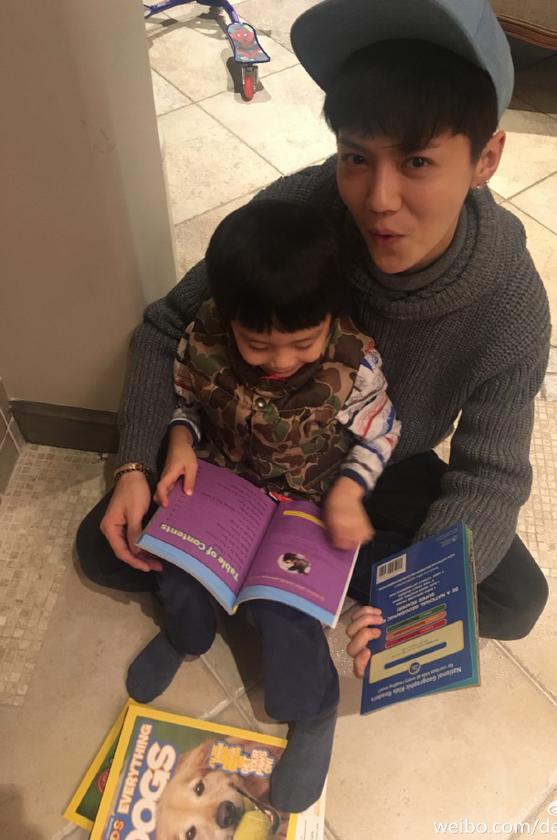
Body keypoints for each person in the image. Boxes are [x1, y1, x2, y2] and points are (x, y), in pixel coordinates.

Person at [77, 0, 551, 807]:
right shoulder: (295, 214)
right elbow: (166, 331)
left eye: (418, 162)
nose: (379, 199)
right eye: (356, 157)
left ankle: (284, 579)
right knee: (104, 544)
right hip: (244, 438)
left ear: (486, 158)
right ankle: (260, 578)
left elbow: (493, 474)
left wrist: (411, 602)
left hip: (376, 459)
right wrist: (132, 464)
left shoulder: (510, 301)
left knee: (510, 598)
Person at [80, 199, 400, 813]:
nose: (280, 361)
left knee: (285, 611)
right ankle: (187, 634)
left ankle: (313, 708)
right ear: (228, 319)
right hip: (226, 484)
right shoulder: (201, 340)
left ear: (330, 319)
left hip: (309, 503)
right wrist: (179, 439)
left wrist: (351, 488)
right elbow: (185, 400)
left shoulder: (354, 363)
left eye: (302, 343)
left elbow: (383, 432)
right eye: (257, 344)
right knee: (177, 565)